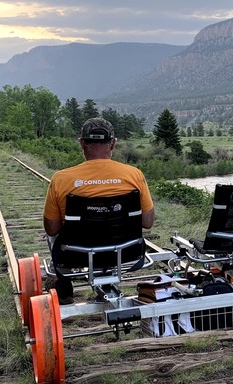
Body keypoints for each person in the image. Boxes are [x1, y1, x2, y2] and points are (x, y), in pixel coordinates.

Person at [43, 117, 155, 304]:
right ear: (113, 144)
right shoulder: (134, 175)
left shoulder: (61, 179)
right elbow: (147, 222)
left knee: (54, 231)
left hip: (75, 254)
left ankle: (64, 286)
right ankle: (108, 272)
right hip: (126, 252)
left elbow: (51, 229)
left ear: (82, 143)